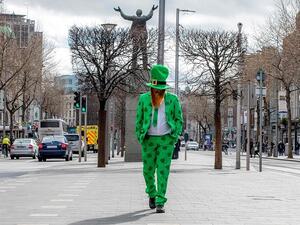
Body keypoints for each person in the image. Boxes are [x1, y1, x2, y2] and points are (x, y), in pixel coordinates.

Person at [135, 64, 183, 213]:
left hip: (166, 140)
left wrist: (174, 136)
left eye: (161, 90)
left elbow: (179, 119)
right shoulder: (143, 99)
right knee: (148, 170)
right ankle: (152, 193)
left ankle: (160, 200)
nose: (158, 92)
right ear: (151, 87)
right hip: (148, 139)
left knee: (163, 170)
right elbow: (139, 119)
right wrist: (140, 136)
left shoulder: (173, 99)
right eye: (156, 89)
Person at [114, 5, 158, 70]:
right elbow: (150, 15)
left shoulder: (134, 18)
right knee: (144, 52)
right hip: (143, 36)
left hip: (136, 36)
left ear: (137, 13)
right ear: (141, 13)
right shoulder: (144, 18)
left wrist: (120, 11)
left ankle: (133, 67)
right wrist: (152, 9)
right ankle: (145, 67)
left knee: (134, 52)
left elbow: (125, 16)